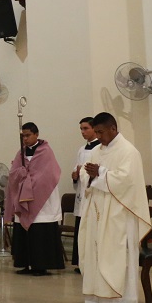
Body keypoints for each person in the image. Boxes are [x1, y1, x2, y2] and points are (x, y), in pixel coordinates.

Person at [79, 112, 151, 303]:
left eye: (101, 132)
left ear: (113, 128)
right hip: (98, 211)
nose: (99, 137)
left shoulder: (129, 151)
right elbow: (85, 173)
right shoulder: (97, 151)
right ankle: (96, 298)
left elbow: (126, 181)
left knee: (116, 254)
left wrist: (100, 173)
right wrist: (91, 175)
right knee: (94, 251)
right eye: (97, 132)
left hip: (119, 213)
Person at [5, 122, 66, 276]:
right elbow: (13, 173)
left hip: (42, 198)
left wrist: (31, 179)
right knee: (26, 232)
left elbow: (50, 173)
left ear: (36, 134)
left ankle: (41, 265)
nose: (25, 139)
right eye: (23, 136)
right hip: (24, 199)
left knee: (40, 233)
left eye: (28, 135)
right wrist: (21, 174)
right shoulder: (21, 153)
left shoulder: (46, 151)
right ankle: (26, 263)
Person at [70, 116, 100, 273]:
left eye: (86, 128)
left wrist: (85, 172)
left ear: (94, 128)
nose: (82, 131)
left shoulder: (100, 148)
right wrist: (75, 175)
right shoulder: (82, 149)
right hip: (81, 194)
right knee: (81, 229)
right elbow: (77, 168)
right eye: (81, 129)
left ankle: (92, 262)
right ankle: (81, 262)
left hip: (92, 193)